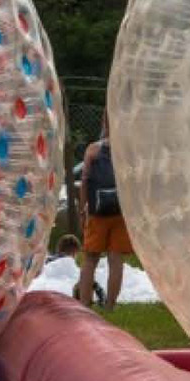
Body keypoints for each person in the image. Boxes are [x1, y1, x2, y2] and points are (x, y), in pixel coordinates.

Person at [74, 123, 128, 310]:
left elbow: (85, 180)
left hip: (98, 211)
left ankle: (84, 304)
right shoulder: (126, 150)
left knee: (90, 259)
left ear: (105, 125)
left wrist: (82, 209)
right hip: (120, 212)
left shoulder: (94, 150)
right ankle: (111, 304)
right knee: (116, 259)